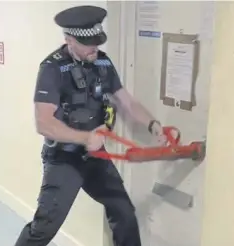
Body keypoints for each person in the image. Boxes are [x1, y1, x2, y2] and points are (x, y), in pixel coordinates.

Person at [14, 5, 166, 246]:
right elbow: (44, 123)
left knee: (124, 212)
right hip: (64, 158)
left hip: (96, 156)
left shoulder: (102, 63)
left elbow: (126, 100)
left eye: (97, 40)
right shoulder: (52, 68)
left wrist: (153, 124)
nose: (95, 47)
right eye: (88, 43)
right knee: (45, 226)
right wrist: (85, 138)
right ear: (69, 39)